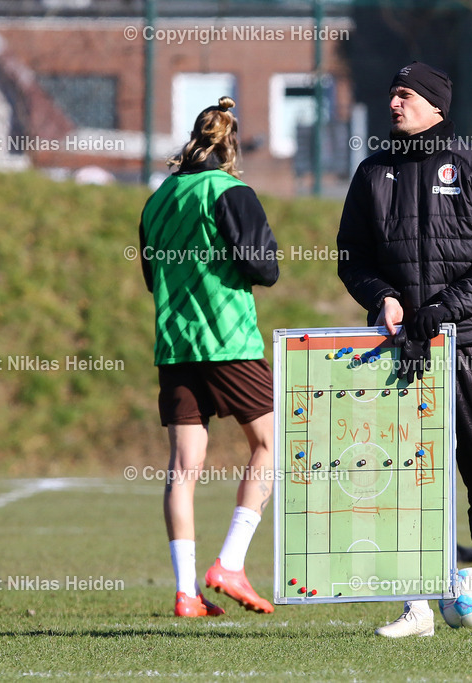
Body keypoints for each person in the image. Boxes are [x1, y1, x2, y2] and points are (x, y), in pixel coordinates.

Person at [336, 62, 472, 637]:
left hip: (469, 343)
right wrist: (383, 297)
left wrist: (445, 309)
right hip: (400, 349)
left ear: (436, 105)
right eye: (391, 94)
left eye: (405, 95)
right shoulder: (372, 172)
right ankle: (416, 607)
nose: (393, 104)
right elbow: (352, 256)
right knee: (404, 477)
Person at [139, 96, 278, 618]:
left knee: (183, 466)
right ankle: (231, 564)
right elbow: (264, 268)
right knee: (272, 444)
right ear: (230, 145)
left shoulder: (157, 199)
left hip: (175, 345)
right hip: (228, 341)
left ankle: (186, 591)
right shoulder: (231, 191)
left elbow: (152, 276)